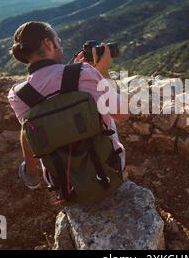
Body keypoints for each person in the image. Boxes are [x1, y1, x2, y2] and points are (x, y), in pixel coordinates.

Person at [7, 21, 129, 190]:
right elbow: (123, 114)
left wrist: (74, 70)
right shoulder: (84, 73)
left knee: (28, 126)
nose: (61, 47)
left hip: (63, 182)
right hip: (109, 169)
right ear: (48, 44)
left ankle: (30, 172)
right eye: (58, 42)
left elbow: (33, 132)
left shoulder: (18, 95)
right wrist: (102, 73)